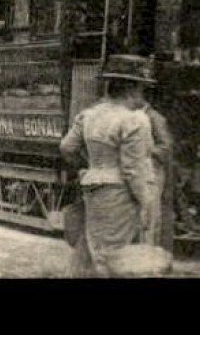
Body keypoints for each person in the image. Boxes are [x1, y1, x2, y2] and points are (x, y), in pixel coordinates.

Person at [59, 55, 161, 277]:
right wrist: (146, 203)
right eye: (142, 88)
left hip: (94, 190)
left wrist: (88, 169)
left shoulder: (89, 115)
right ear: (132, 89)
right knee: (114, 258)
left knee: (91, 248)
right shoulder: (135, 120)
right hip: (121, 195)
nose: (142, 95)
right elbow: (133, 170)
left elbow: (67, 147)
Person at [144, 94, 177, 254]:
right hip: (139, 171)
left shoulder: (155, 118)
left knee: (151, 217)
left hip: (152, 171)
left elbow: (165, 148)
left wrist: (141, 150)